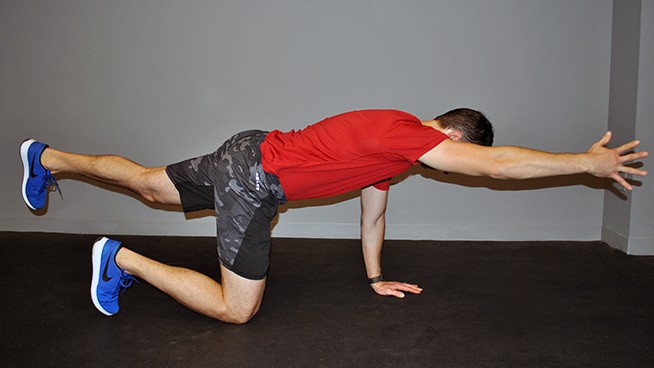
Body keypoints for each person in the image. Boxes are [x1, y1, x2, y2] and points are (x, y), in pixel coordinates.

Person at [20, 108, 647, 324]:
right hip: (254, 179)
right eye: (455, 154)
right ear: (452, 134)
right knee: (236, 310)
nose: (449, 165)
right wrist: (581, 164)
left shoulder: (394, 154)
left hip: (250, 148)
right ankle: (118, 258)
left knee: (148, 187)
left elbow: (373, 218)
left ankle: (44, 157)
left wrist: (375, 277)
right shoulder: (405, 132)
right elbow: (496, 166)